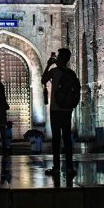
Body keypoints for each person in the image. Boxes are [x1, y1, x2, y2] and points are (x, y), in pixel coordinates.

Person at [41, 48, 77, 177]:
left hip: (56, 110)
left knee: (56, 139)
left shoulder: (54, 71)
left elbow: (43, 80)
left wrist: (49, 64)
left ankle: (56, 167)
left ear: (61, 58)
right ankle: (69, 167)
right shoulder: (71, 73)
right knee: (67, 139)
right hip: (67, 110)